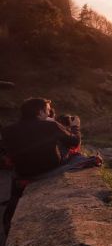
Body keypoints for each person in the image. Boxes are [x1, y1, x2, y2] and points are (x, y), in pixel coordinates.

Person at [1, 98, 82, 235]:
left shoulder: (7, 130)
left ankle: (8, 223)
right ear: (40, 112)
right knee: (72, 153)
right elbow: (74, 142)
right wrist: (75, 127)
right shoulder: (50, 126)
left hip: (23, 172)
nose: (49, 114)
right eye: (48, 111)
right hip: (49, 168)